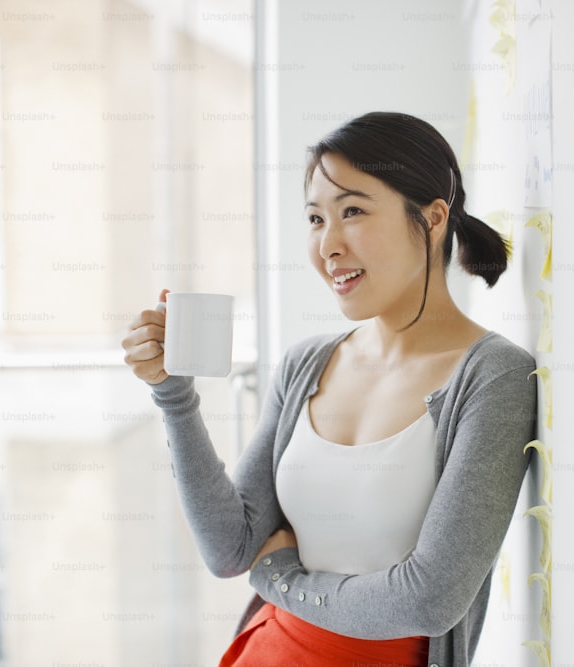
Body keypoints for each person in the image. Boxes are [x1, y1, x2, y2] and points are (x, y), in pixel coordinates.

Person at [121, 111, 538, 667]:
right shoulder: (306, 364)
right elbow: (230, 547)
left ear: (434, 217)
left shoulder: (493, 377)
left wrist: (280, 579)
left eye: (354, 212)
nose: (328, 245)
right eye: (316, 219)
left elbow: (429, 601)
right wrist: (173, 394)